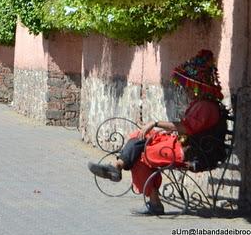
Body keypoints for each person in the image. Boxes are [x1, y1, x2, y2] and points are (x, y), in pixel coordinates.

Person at [88, 49, 224, 215]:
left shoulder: (206, 107)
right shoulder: (201, 104)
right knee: (139, 136)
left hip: (192, 152)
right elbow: (186, 127)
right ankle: (118, 166)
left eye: (189, 86)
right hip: (183, 144)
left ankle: (149, 197)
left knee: (143, 154)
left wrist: (156, 123)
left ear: (198, 86)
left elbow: (186, 128)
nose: (186, 90)